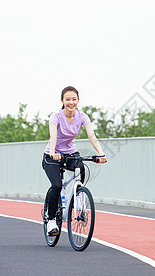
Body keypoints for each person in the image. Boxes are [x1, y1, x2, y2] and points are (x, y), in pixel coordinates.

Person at [42, 86, 107, 236]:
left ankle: (79, 198)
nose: (71, 102)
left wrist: (101, 153)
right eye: (67, 99)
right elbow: (54, 137)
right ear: (62, 101)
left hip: (70, 153)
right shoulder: (56, 116)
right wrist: (53, 153)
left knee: (81, 167)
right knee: (57, 185)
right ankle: (51, 220)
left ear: (78, 100)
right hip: (52, 156)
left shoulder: (82, 116)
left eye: (74, 99)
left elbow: (92, 136)